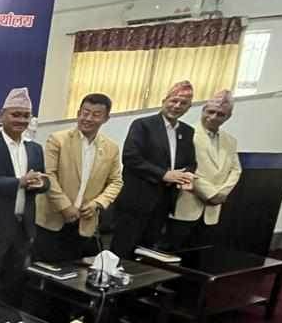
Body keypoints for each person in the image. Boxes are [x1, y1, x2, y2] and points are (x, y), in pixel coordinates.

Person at [0, 86, 50, 309]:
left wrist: (42, 184)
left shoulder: (35, 149)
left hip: (22, 231)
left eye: (26, 116)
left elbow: (44, 181)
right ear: (2, 116)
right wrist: (19, 182)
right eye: (16, 114)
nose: (21, 120)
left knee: (14, 289)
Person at [111, 80, 197, 258]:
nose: (177, 106)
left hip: (164, 202)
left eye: (183, 103)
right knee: (122, 250)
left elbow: (191, 162)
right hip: (137, 201)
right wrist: (164, 175)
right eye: (174, 101)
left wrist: (185, 176)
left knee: (148, 253)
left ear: (188, 108)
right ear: (164, 101)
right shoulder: (143, 125)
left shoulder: (188, 131)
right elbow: (130, 157)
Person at [35, 93, 123, 263]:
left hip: (84, 222)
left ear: (106, 118)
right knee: (43, 270)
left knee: (75, 272)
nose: (88, 118)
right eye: (85, 112)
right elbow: (48, 175)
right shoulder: (57, 140)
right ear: (78, 113)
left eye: (96, 115)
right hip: (52, 220)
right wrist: (65, 206)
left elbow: (116, 181)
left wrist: (98, 203)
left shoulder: (111, 148)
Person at [169, 88, 242, 249]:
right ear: (203, 110)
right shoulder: (185, 133)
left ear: (228, 116)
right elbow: (183, 168)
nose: (213, 117)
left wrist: (221, 194)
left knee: (199, 254)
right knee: (171, 253)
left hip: (212, 210)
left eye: (220, 114)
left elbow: (235, 170)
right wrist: (211, 194)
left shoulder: (230, 141)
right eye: (210, 111)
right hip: (185, 205)